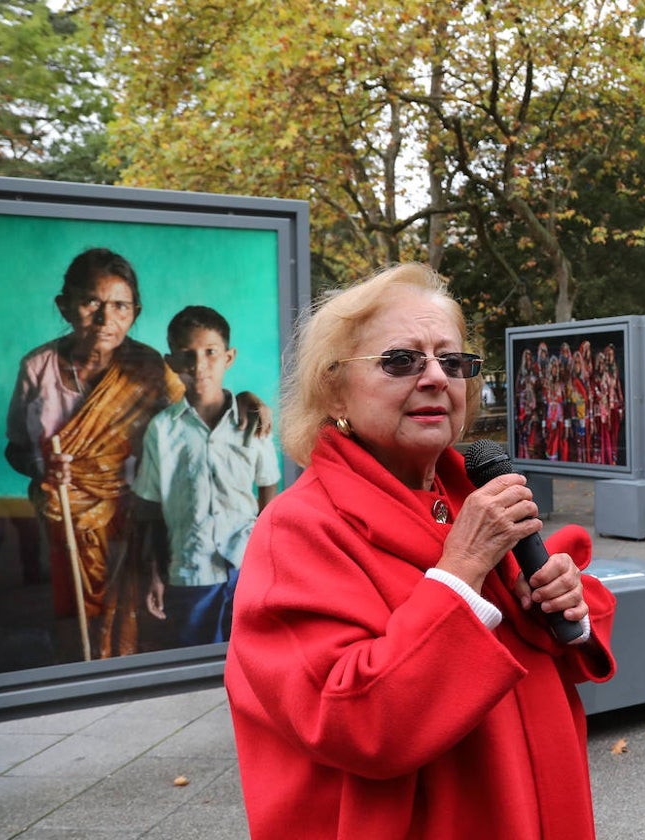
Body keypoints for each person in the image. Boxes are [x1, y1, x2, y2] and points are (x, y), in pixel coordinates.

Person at [224, 262, 617, 839]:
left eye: (452, 361)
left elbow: (546, 641)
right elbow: (355, 720)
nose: (436, 377)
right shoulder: (297, 531)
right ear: (334, 386)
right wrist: (459, 576)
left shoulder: (469, 494)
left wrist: (564, 601)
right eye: (401, 360)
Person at [5, 247, 271, 659]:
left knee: (131, 627)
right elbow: (16, 450)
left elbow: (200, 400)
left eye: (119, 306)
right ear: (65, 305)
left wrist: (248, 399)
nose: (105, 318)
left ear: (135, 311)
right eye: (91, 301)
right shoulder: (38, 368)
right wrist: (42, 467)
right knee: (74, 628)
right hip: (67, 520)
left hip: (135, 521)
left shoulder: (148, 366)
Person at [131, 306, 280, 648]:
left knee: (253, 656)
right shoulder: (162, 430)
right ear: (171, 362)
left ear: (229, 357)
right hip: (190, 570)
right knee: (197, 660)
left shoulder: (254, 421)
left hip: (248, 568)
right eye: (187, 355)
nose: (199, 365)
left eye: (210, 353)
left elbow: (268, 486)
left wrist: (265, 552)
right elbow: (151, 507)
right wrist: (154, 573)